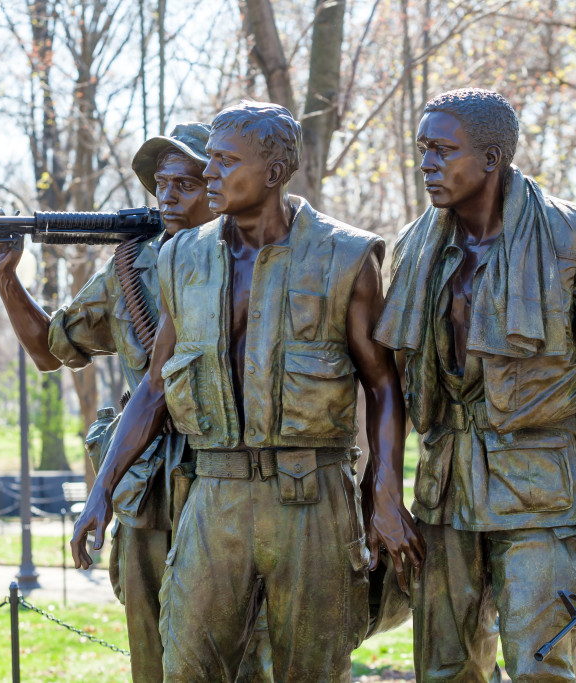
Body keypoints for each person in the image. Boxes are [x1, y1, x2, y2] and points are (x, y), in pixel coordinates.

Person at [70, 100, 425, 682]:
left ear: (275, 171)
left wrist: (384, 491)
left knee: (309, 670)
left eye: (224, 161)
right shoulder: (183, 257)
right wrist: (101, 491)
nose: (208, 174)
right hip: (215, 497)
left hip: (312, 498)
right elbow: (156, 389)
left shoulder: (346, 255)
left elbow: (384, 385)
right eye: (208, 159)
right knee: (187, 666)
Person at [374, 88, 576, 682]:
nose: (426, 164)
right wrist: (386, 493)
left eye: (443, 150)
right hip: (444, 491)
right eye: (422, 150)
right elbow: (388, 380)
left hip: (541, 491)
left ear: (492, 157)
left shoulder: (574, 239)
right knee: (444, 672)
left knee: (542, 670)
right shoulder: (416, 248)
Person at [0, 122, 271, 683]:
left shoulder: (257, 263)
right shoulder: (128, 272)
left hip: (229, 480)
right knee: (151, 649)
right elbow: (49, 349)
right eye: (161, 184)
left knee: (245, 648)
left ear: (217, 188)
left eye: (186, 183)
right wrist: (6, 280)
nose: (168, 197)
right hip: (148, 488)